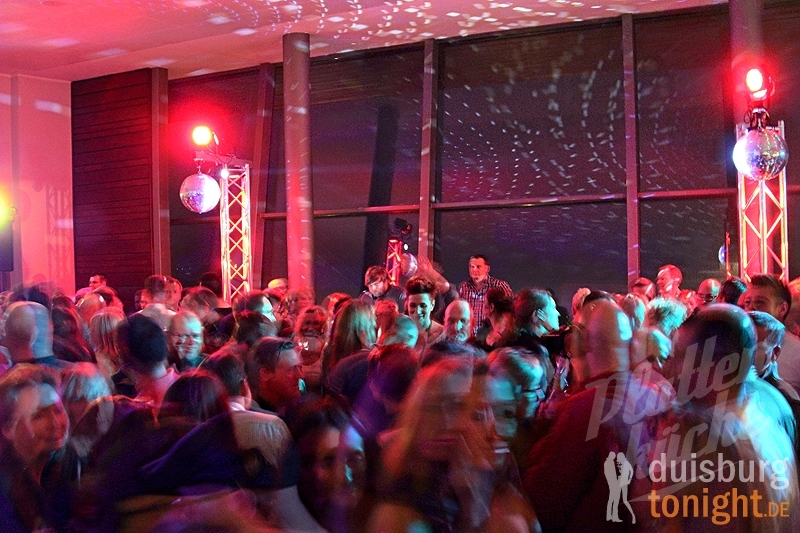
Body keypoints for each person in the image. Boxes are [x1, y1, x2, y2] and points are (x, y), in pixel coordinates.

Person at [0, 364, 70, 533]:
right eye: (38, 416)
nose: (54, 424)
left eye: (58, 410)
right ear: (8, 428)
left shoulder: (69, 473)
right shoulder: (5, 493)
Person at [742, 274, 800, 393]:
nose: (751, 307)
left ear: (782, 309)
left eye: (760, 302)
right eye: (747, 302)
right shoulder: (734, 346)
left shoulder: (797, 354)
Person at [245, 337, 304, 413]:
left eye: (300, 367)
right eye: (290, 370)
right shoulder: (252, 415)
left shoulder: (302, 410)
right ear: (265, 374)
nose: (300, 376)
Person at [458, 254, 512, 335]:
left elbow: (510, 309)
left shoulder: (499, 286)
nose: (474, 269)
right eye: (472, 267)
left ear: (487, 269)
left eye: (478, 267)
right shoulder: (464, 287)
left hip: (492, 335)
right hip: (469, 336)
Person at [405, 276, 445, 357]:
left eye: (423, 306)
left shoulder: (442, 335)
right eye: (413, 305)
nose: (417, 311)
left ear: (432, 305)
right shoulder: (400, 332)